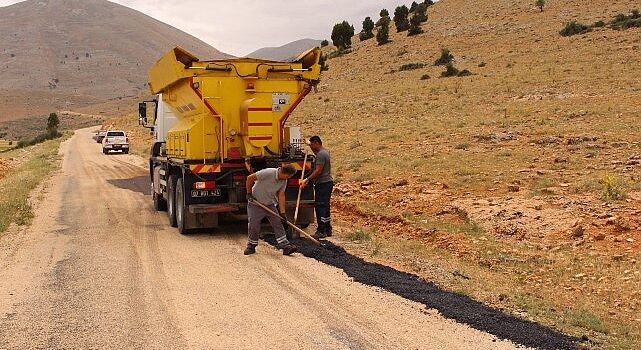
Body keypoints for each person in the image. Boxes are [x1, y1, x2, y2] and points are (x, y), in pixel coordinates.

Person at [245, 164, 298, 255]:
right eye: (289, 176)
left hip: (270, 204)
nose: (289, 178)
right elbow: (250, 178)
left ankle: (285, 246)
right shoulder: (268, 172)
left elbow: (281, 195)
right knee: (254, 225)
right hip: (256, 203)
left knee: (277, 223)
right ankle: (251, 246)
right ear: (284, 172)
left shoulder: (284, 181)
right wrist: (249, 193)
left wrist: (283, 213)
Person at [299, 136, 333, 239]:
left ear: (317, 143)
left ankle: (321, 231)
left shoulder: (321, 155)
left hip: (323, 183)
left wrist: (307, 179)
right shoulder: (323, 152)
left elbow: (318, 170)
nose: (312, 148)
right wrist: (308, 143)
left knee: (320, 206)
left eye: (312, 145)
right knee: (325, 206)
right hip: (326, 183)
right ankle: (328, 229)